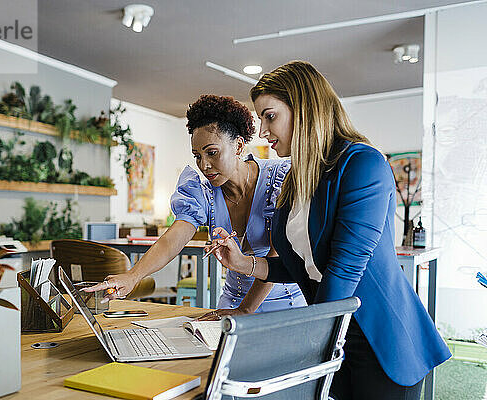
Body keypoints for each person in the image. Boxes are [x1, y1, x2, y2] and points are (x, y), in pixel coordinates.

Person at [206, 61, 451, 400]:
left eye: (270, 116)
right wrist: (243, 263)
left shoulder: (363, 164)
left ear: (304, 109)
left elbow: (345, 266)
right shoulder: (297, 180)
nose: (262, 131)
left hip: (379, 340)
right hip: (335, 329)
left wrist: (305, 341)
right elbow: (300, 268)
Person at [85, 94, 306, 318]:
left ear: (238, 145)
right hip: (232, 302)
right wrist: (132, 276)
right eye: (197, 156)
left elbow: (278, 254)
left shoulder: (281, 179)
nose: (204, 165)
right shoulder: (203, 192)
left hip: (284, 303)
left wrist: (245, 309)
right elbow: (172, 240)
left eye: (212, 152)